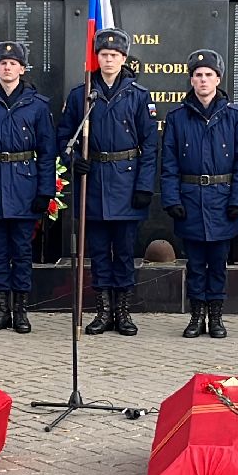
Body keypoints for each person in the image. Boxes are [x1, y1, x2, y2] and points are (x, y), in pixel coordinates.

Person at [58, 29, 159, 336]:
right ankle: (102, 311)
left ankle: (123, 312)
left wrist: (144, 186)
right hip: (95, 182)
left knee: (125, 252)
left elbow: (150, 145)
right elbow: (65, 137)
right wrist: (75, 160)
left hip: (127, 184)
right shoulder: (82, 94)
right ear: (96, 58)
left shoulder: (138, 96)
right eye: (103, 55)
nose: (109, 60)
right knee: (99, 251)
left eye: (114, 55)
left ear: (124, 59)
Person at [0, 40, 56, 334]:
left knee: (21, 251)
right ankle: (1, 310)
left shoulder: (38, 106)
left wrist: (45, 191)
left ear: (22, 68)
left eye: (13, 63)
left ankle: (21, 311)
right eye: (2, 63)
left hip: (24, 185)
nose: (7, 67)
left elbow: (47, 152)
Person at [163, 49, 238, 339]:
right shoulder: (177, 117)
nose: (203, 80)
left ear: (218, 79)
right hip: (190, 199)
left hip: (223, 199)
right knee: (195, 263)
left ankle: (216, 318)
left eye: (208, 75)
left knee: (217, 264)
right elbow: (170, 162)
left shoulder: (235, 116)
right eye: (198, 75)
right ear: (191, 80)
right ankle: (196, 316)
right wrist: (172, 199)